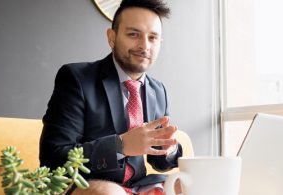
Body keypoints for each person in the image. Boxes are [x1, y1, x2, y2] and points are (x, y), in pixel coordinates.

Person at [39, 0, 182, 194]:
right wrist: (120, 145)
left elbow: (159, 163)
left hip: (138, 186)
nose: (144, 45)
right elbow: (53, 157)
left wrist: (169, 148)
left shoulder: (158, 90)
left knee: (186, 185)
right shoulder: (76, 78)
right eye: (133, 34)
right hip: (86, 185)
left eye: (153, 37)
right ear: (112, 37)